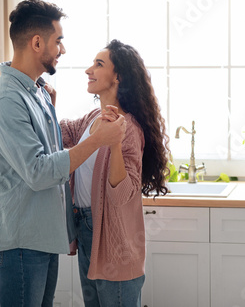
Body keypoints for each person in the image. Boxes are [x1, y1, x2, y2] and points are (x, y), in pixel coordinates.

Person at [0, 0, 126, 307]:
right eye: (58, 40)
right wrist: (97, 140)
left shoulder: (36, 92)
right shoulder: (5, 100)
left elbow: (51, 156)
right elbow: (39, 172)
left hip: (41, 238)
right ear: (36, 43)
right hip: (19, 242)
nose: (63, 49)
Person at [59, 39, 170, 306]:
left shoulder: (129, 128)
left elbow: (121, 196)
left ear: (118, 76)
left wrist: (115, 144)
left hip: (115, 241)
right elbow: (58, 137)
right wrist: (46, 104)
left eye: (98, 64)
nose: (89, 70)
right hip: (86, 230)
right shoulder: (90, 120)